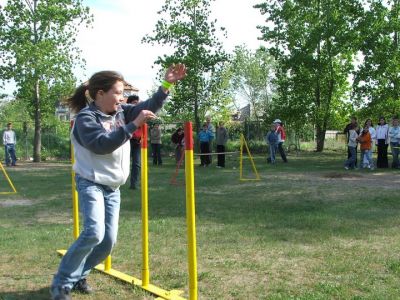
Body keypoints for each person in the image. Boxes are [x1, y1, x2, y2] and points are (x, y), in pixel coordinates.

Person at [50, 64, 187, 300]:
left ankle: (79, 273)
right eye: (118, 92)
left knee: (108, 242)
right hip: (90, 182)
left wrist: (166, 84)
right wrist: (134, 125)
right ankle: (61, 283)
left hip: (113, 187)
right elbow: (102, 145)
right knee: (94, 233)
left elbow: (149, 105)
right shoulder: (86, 118)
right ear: (100, 94)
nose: (122, 97)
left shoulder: (122, 111)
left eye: (123, 93)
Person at [127, 95, 141, 189]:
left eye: (137, 102)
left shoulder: (140, 113)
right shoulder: (125, 114)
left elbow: (143, 127)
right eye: (134, 102)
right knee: (123, 162)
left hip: (137, 142)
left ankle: (134, 184)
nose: (136, 104)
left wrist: (142, 137)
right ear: (129, 103)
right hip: (126, 141)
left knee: (137, 164)